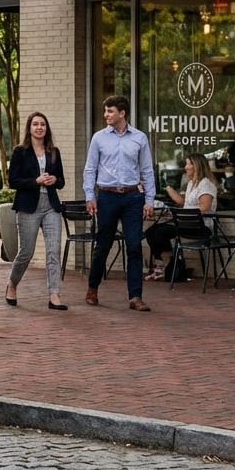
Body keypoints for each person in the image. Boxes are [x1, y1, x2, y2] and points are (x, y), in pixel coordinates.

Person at [82, 94, 157, 312]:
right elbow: (90, 168)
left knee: (134, 246)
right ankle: (92, 288)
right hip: (107, 196)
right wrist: (90, 196)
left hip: (133, 197)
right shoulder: (99, 138)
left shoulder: (140, 138)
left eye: (110, 111)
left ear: (122, 113)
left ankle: (135, 297)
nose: (106, 115)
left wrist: (149, 200)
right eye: (105, 111)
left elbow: (147, 171)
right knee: (103, 245)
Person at [6, 112, 68, 310]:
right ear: (29, 128)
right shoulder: (20, 152)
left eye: (42, 124)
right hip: (28, 206)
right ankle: (12, 284)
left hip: (51, 206)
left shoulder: (54, 152)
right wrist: (35, 181)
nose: (39, 127)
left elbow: (61, 181)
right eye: (35, 124)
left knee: (53, 251)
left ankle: (54, 294)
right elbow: (13, 181)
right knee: (26, 252)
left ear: (46, 128)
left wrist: (53, 180)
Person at [144, 152, 217, 281]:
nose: (186, 167)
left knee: (161, 232)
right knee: (151, 232)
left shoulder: (206, 184)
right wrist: (167, 188)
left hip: (200, 226)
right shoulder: (191, 183)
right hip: (185, 223)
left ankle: (174, 261)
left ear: (197, 166)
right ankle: (162, 264)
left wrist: (180, 213)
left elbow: (204, 208)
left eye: (188, 163)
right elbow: (183, 203)